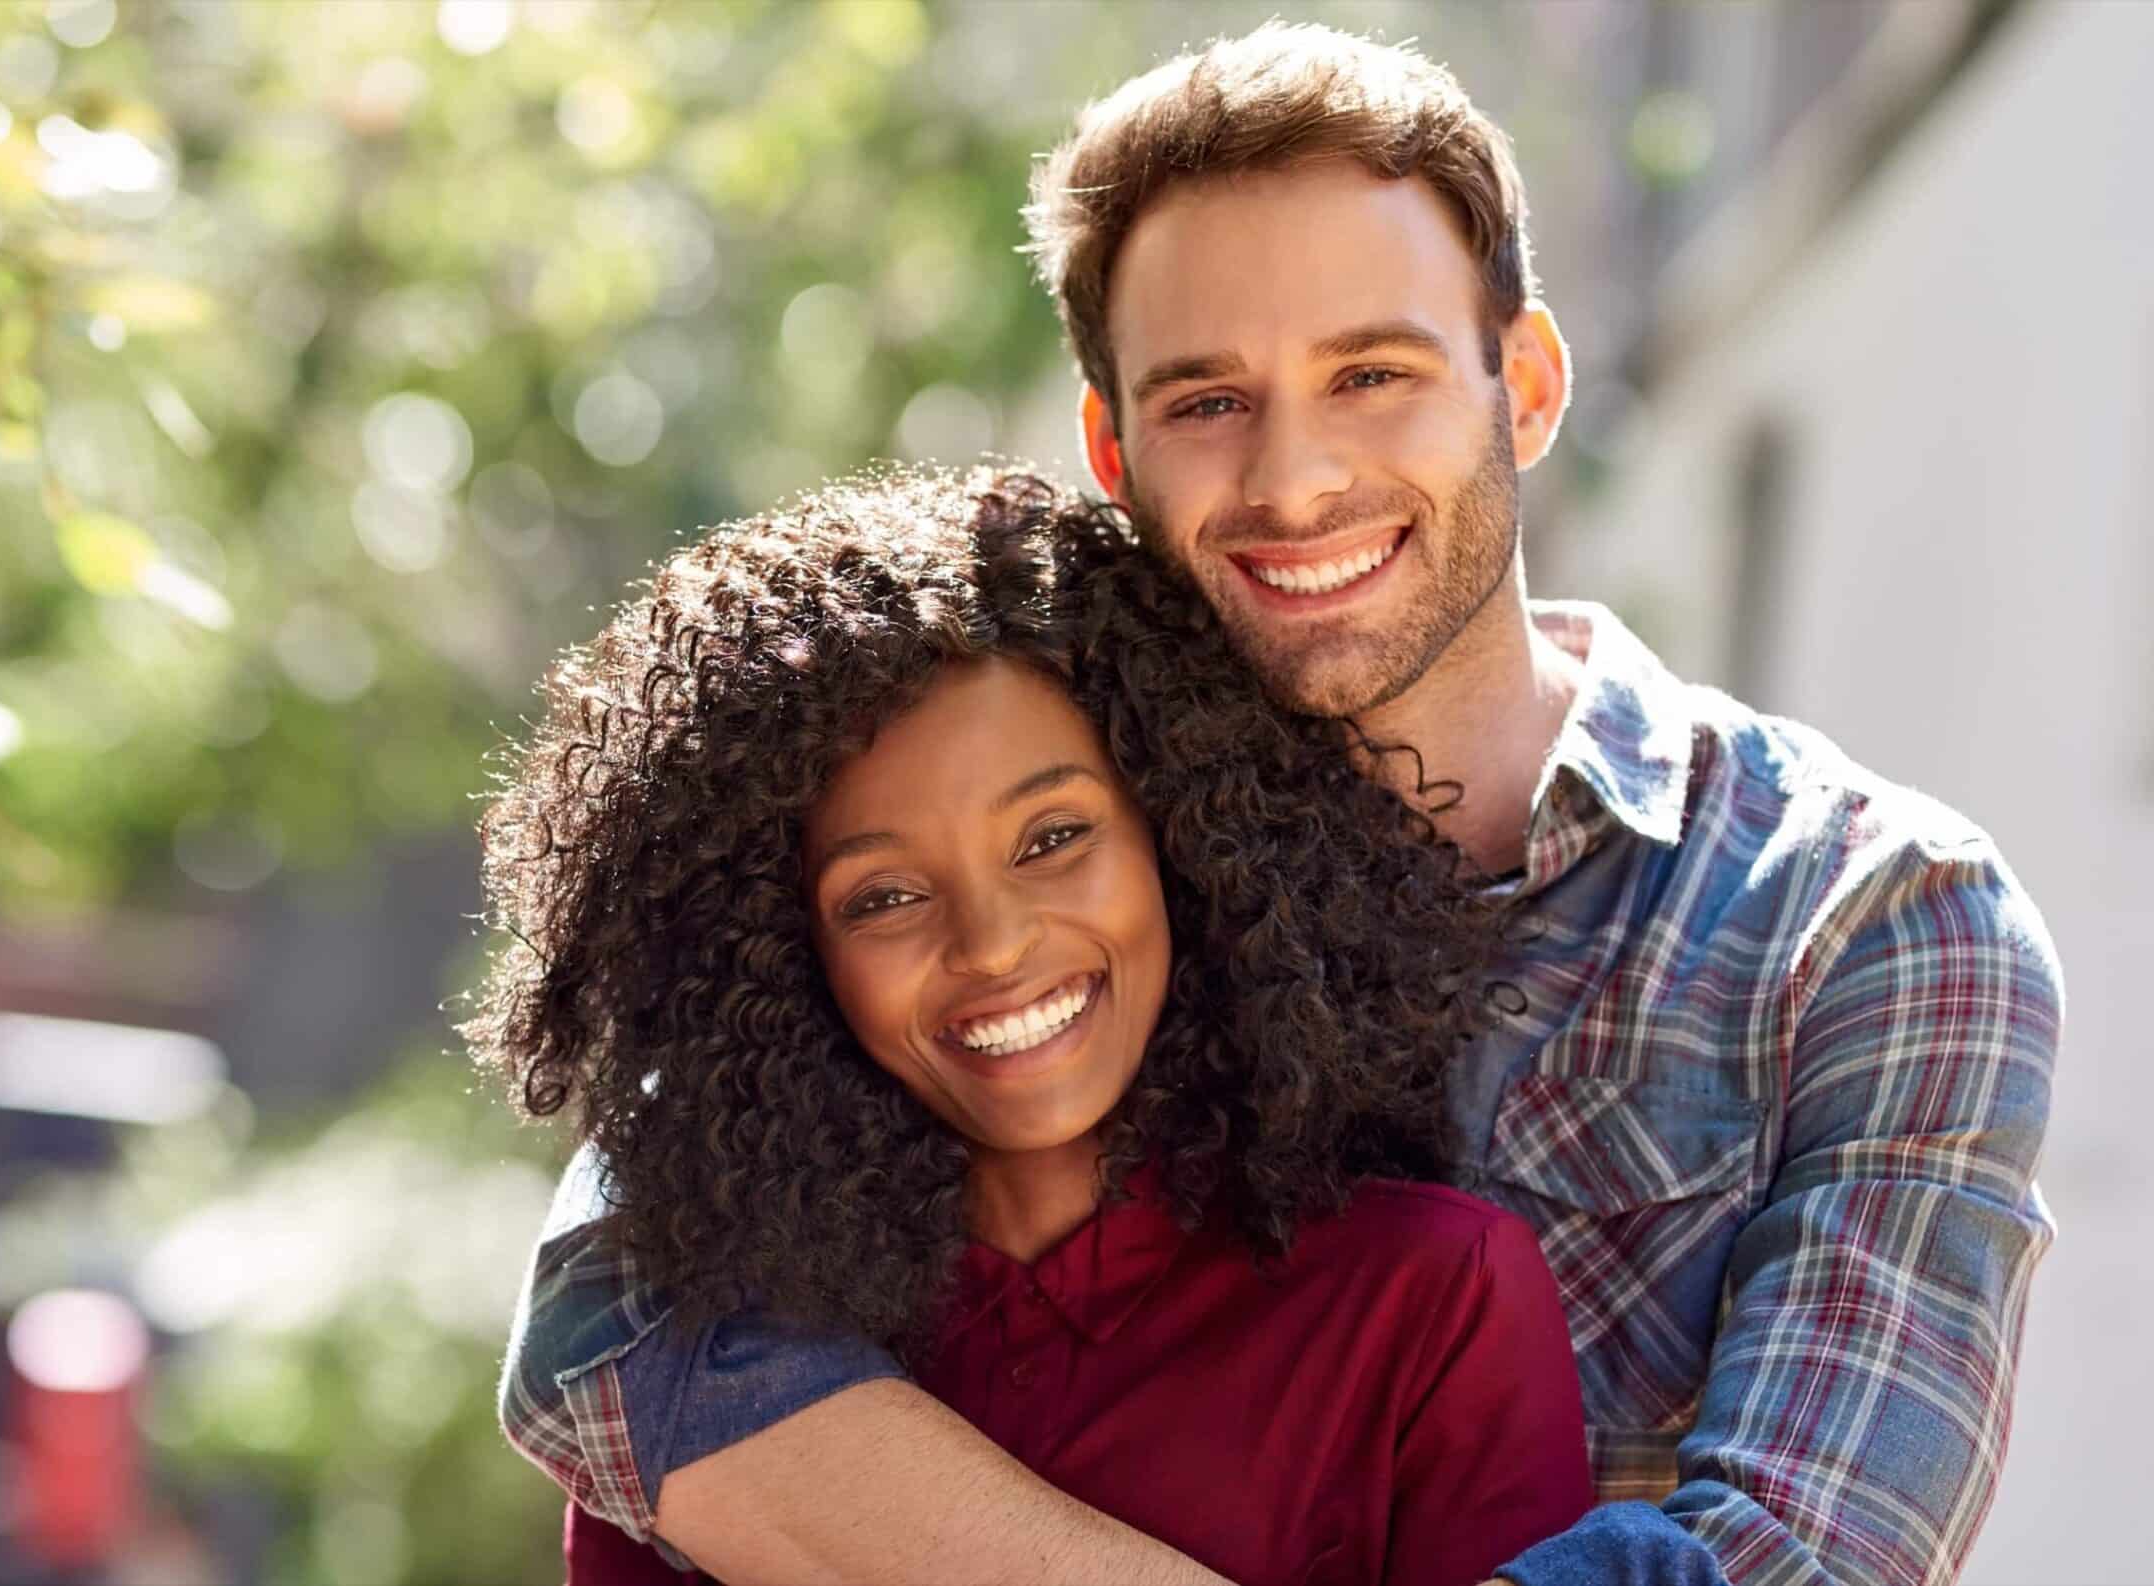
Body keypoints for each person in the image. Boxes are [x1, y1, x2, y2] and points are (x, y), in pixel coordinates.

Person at [499, 22, 2061, 1586]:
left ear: (1523, 385)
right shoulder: (1052, 862)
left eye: (1372, 373)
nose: (1296, 478)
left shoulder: (1865, 919)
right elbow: (616, 1313)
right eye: (1207, 401)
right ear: (1113, 449)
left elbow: (1794, 1556)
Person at [468, 466, 1593, 1584]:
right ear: (781, 954)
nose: (993, 944)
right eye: (883, 897)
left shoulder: (1434, 1299)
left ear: (1181, 832)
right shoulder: (702, 1392)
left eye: (1052, 838)